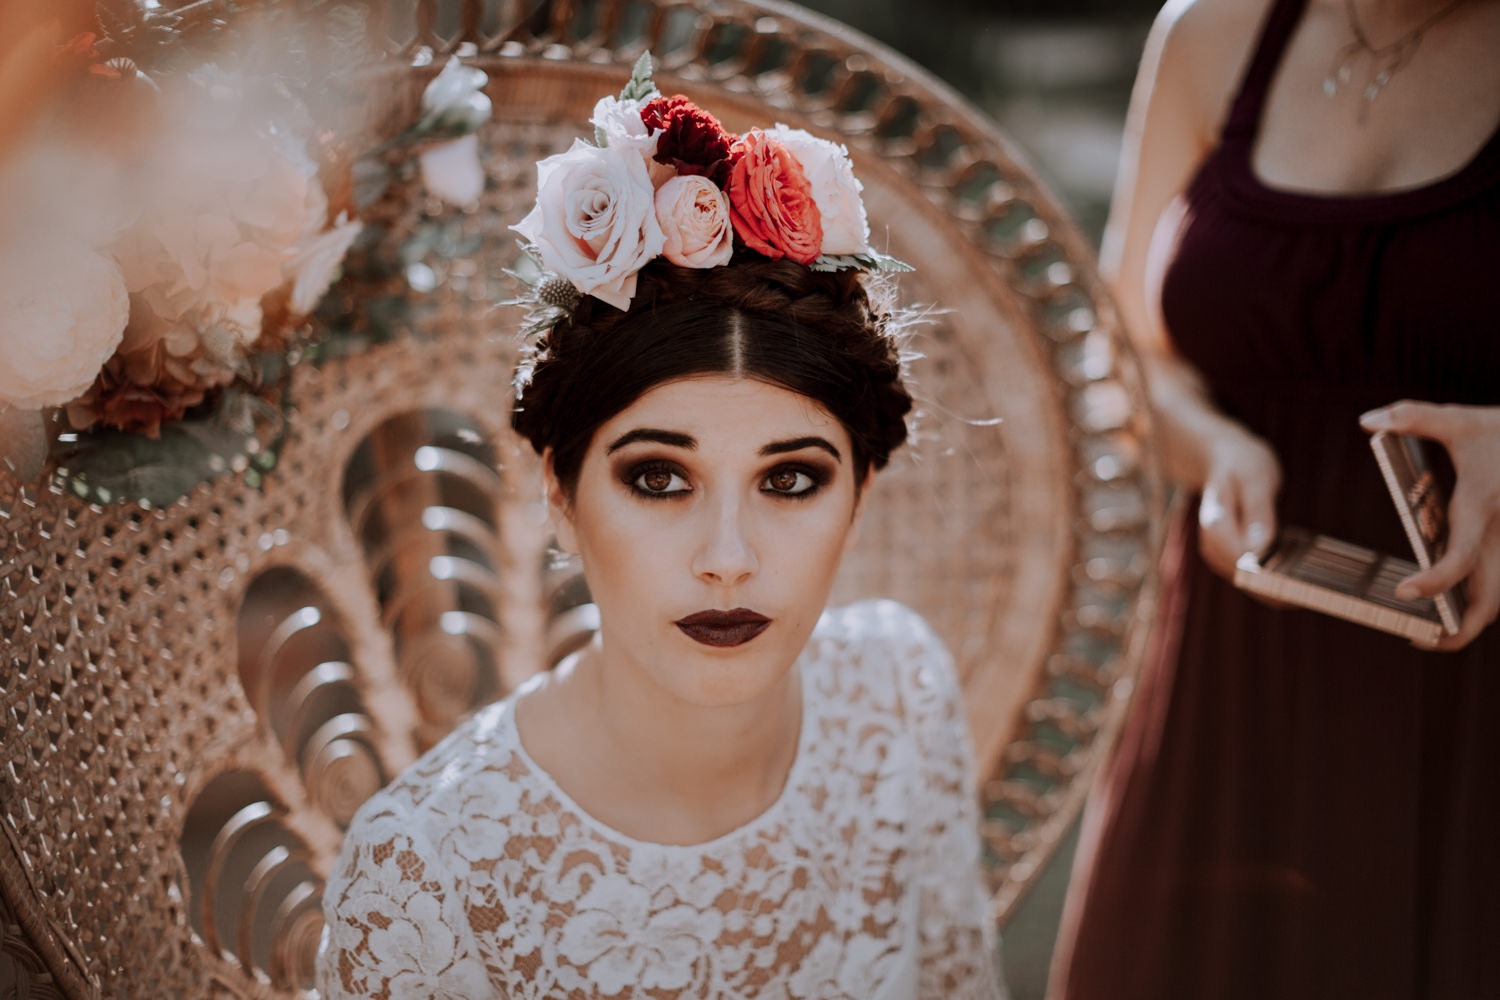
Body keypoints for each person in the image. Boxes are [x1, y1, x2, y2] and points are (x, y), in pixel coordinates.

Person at [317, 61, 1006, 999]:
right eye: (657, 477)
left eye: (792, 479)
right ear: (559, 491)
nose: (728, 559)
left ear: (864, 492)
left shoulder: (899, 693)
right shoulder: (424, 875)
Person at [1051, 0, 1500, 997]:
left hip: (1471, 706)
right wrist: (1217, 450)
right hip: (1231, 664)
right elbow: (1124, 348)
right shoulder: (1213, 31)